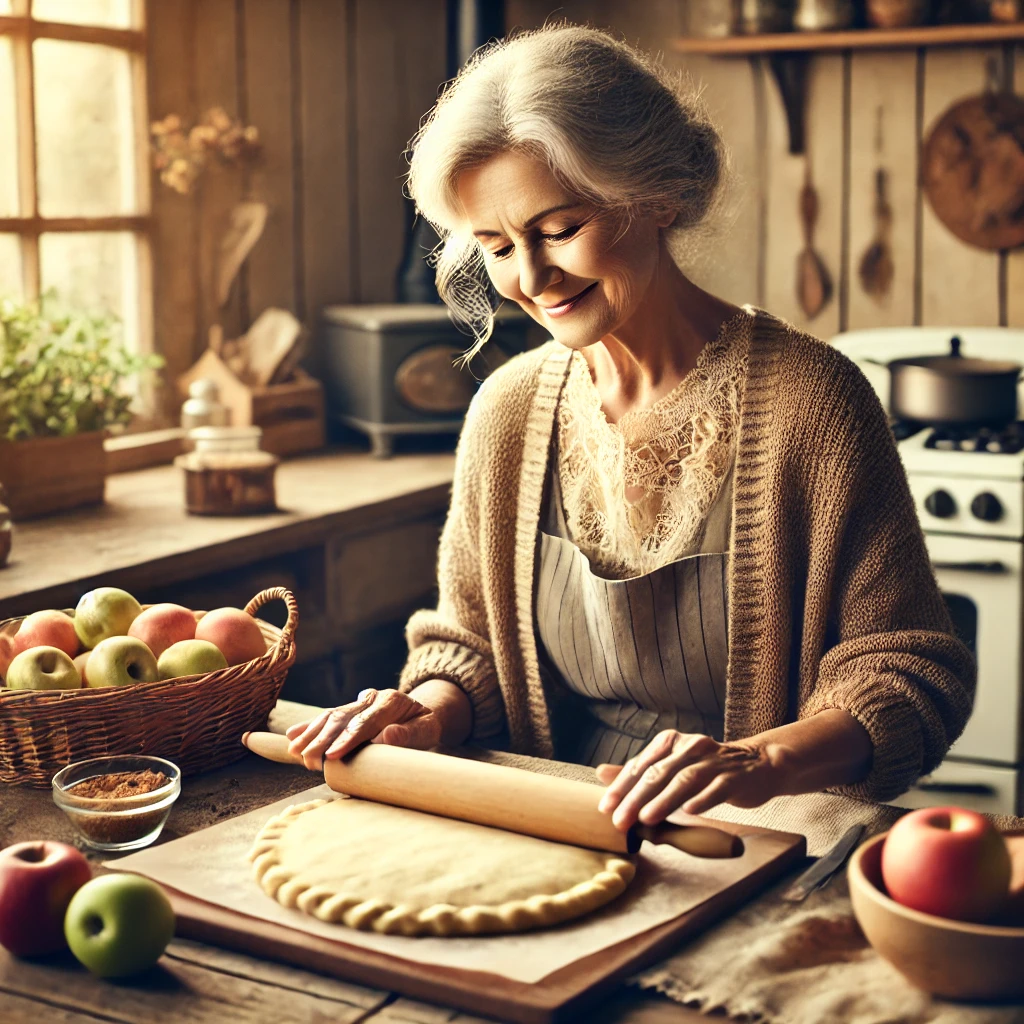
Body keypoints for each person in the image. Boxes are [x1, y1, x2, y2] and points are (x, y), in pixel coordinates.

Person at [288, 24, 974, 834]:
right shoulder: (505, 413)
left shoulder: (814, 404)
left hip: (762, 839)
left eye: (558, 230)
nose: (532, 279)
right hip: (552, 827)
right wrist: (427, 710)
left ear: (657, 196)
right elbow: (469, 644)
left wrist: (761, 762)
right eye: (496, 247)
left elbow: (910, 675)